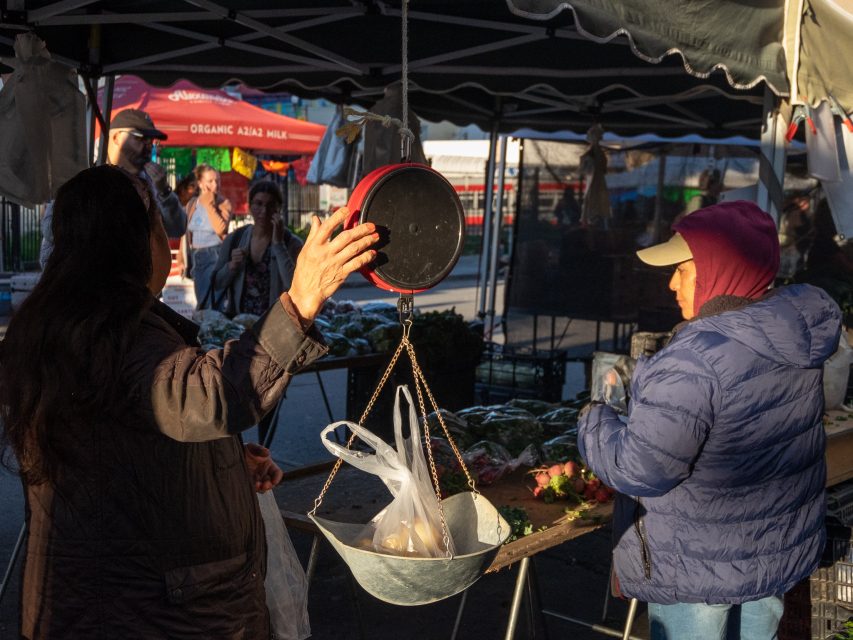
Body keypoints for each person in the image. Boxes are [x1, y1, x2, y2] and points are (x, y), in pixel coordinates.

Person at [0, 164, 378, 640]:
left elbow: (117, 446)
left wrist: (216, 462)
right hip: (146, 614)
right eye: (158, 226)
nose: (167, 241)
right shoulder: (110, 334)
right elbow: (212, 395)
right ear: (133, 243)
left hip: (118, 602)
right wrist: (301, 300)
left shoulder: (67, 322)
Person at [577, 200, 842, 639]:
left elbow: (640, 470)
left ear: (718, 270)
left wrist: (593, 420)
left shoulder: (694, 359)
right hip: (771, 556)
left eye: (681, 270)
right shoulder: (793, 336)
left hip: (696, 567)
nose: (670, 284)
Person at [39, 108, 187, 269]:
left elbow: (178, 228)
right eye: (141, 138)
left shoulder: (152, 182)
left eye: (151, 141)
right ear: (116, 137)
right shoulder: (85, 173)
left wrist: (164, 191)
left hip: (136, 287)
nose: (148, 145)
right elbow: (50, 230)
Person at [182, 163, 233, 307]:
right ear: (200, 183)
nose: (215, 185)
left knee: (214, 300)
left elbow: (221, 229)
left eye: (217, 180)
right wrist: (182, 258)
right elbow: (185, 232)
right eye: (210, 181)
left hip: (215, 252)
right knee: (202, 298)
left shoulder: (223, 204)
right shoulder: (192, 203)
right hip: (196, 253)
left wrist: (209, 204)